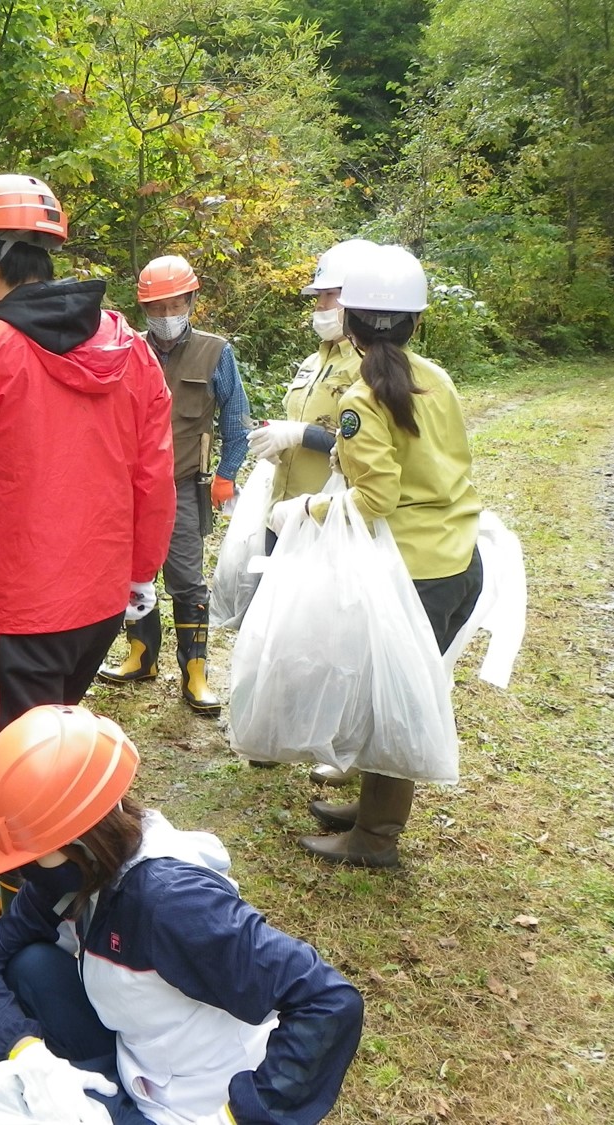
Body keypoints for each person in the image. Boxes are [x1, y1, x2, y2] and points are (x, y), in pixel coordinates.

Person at [0, 174, 176, 926]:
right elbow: (155, 471)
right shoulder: (130, 347)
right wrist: (141, 573)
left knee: (18, 766)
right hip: (101, 599)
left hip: (23, 607)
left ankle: (26, 901)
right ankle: (72, 869)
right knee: (60, 741)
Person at [0, 704, 363, 1125]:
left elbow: (328, 1002)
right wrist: (28, 1052)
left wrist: (241, 1117)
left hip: (199, 1101)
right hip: (137, 1062)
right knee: (31, 965)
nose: (23, 871)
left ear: (81, 837)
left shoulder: (175, 905)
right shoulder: (77, 873)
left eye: (32, 854)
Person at [268, 244, 483, 868]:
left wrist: (302, 511)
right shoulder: (433, 376)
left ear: (354, 323)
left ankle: (376, 837)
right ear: (414, 321)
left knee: (392, 697)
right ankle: (369, 809)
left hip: (411, 569)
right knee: (390, 685)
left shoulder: (363, 398)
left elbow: (375, 498)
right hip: (454, 556)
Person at [248, 237, 376, 786]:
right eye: (318, 298)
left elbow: (363, 445)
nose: (319, 308)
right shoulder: (314, 360)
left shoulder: (371, 366)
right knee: (283, 625)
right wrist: (279, 438)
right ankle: (281, 730)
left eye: (327, 298)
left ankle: (335, 739)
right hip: (289, 512)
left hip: (332, 516)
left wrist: (305, 434)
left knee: (329, 633)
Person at [98, 255, 250, 716]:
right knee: (132, 574)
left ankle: (196, 672)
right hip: (129, 486)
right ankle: (141, 656)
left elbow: (235, 419)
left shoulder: (215, 352)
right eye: (156, 308)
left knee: (185, 577)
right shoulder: (129, 349)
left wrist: (227, 474)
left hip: (183, 483)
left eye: (173, 305)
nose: (165, 316)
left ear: (190, 300)